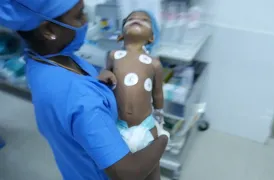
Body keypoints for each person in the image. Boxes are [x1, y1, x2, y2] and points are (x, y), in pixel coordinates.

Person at [0, 0, 169, 180]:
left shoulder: (42, 59)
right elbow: (128, 173)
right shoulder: (82, 100)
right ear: (48, 30)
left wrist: (100, 77)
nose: (87, 20)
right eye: (79, 15)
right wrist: (162, 138)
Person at [99, 10, 164, 180]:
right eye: (131, 19)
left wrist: (159, 113)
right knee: (117, 169)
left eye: (144, 20)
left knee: (151, 168)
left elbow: (157, 92)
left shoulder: (154, 63)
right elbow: (106, 75)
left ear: (151, 38)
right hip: (117, 124)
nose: (137, 20)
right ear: (121, 36)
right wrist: (104, 74)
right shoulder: (114, 55)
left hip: (146, 124)